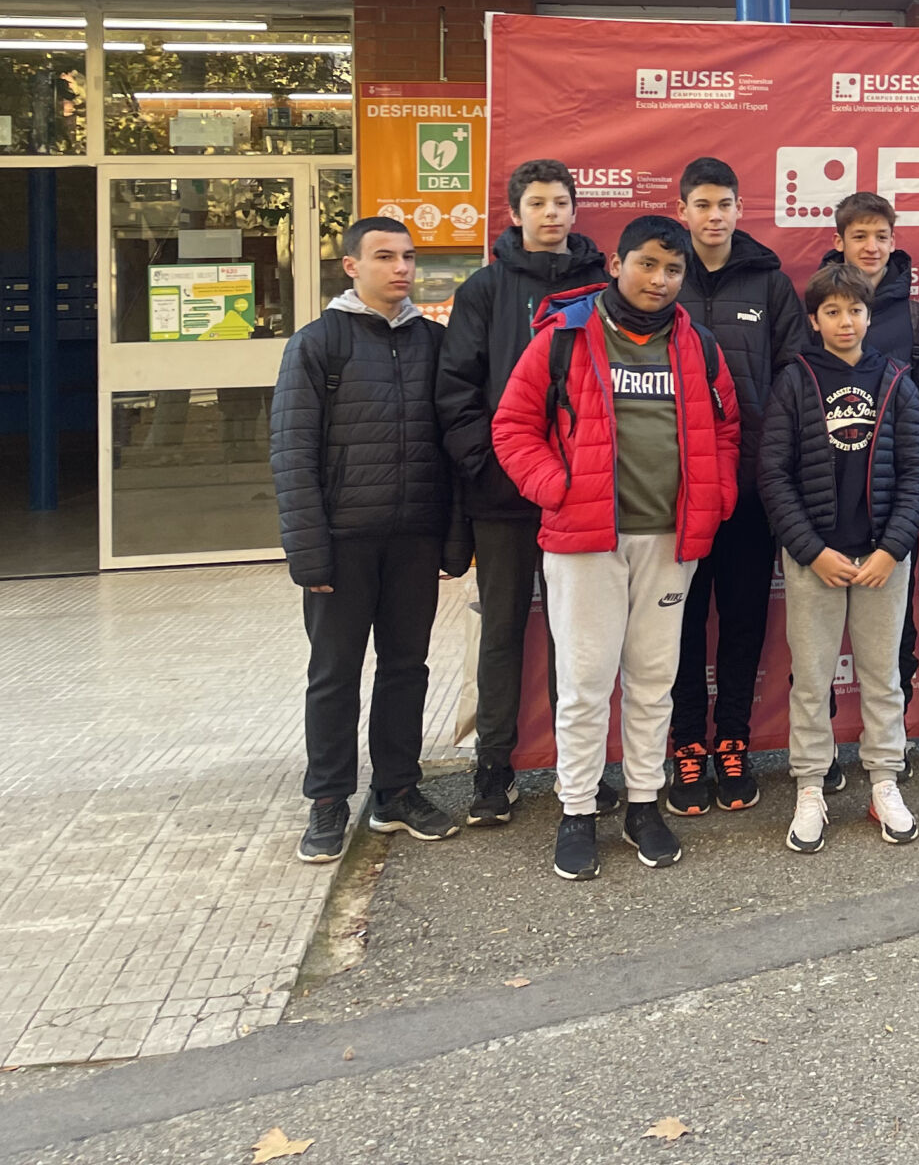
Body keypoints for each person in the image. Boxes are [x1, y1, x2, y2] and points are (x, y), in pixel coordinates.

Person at [491, 215, 739, 881]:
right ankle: (576, 811)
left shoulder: (699, 345)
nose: (660, 280)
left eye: (673, 270)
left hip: (670, 541)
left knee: (654, 683)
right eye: (647, 264)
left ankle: (642, 803)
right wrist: (559, 489)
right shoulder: (565, 337)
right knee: (585, 684)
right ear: (616, 264)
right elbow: (512, 427)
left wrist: (715, 498)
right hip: (586, 542)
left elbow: (726, 429)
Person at [274, 215, 466, 863]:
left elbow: (452, 448)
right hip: (342, 543)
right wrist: (309, 554)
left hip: (414, 539)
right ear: (352, 266)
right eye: (385, 256)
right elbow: (292, 453)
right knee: (334, 675)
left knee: (407, 669)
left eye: (408, 256)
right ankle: (329, 801)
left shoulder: (433, 343)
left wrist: (452, 538)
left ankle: (397, 791)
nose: (401, 267)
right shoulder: (317, 344)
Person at [437, 158, 610, 829]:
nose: (550, 213)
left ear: (574, 209)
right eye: (536, 203)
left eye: (560, 201)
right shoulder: (484, 290)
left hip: (583, 497)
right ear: (514, 214)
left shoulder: (604, 287)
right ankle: (494, 770)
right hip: (504, 497)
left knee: (580, 640)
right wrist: (491, 468)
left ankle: (581, 771)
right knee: (502, 633)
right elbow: (457, 390)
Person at [760, 262, 919, 854]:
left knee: (883, 678)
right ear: (814, 320)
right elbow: (773, 475)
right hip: (817, 560)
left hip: (881, 559)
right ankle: (810, 786)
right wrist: (812, 551)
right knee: (812, 681)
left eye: (854, 310)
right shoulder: (795, 379)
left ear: (868, 316)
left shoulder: (896, 379)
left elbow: (915, 474)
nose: (844, 321)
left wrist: (892, 549)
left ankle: (884, 781)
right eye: (831, 312)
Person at [664, 157, 809, 818]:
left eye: (724, 203)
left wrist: (772, 470)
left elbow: (794, 382)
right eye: (702, 204)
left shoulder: (770, 282)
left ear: (739, 208)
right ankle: (688, 744)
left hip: (750, 491)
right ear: (682, 210)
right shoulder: (662, 274)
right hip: (675, 493)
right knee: (683, 625)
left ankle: (733, 742)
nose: (714, 215)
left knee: (745, 622)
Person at [823, 191, 919, 778]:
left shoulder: (915, 318)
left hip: (894, 500)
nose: (871, 247)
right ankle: (821, 751)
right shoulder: (817, 303)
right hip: (825, 495)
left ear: (894, 243)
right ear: (839, 241)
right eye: (860, 236)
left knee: (896, 633)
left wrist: (911, 455)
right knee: (818, 640)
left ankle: (889, 749)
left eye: (881, 237)